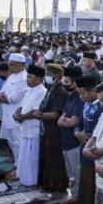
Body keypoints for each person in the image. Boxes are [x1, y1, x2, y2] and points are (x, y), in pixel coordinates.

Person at [36, 64, 69, 193]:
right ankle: (48, 184)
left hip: (54, 131)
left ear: (56, 75)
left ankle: (58, 186)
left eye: (48, 73)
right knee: (46, 159)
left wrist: (40, 115)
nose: (46, 76)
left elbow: (56, 113)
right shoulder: (51, 88)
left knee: (54, 161)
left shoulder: (60, 91)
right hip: (46, 129)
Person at [14, 65, 48, 187]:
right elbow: (23, 106)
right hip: (24, 127)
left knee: (33, 158)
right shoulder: (29, 90)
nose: (26, 79)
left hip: (34, 129)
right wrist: (17, 113)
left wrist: (22, 117)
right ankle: (24, 179)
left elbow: (36, 111)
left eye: (29, 77)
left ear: (38, 79)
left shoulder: (42, 91)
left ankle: (33, 181)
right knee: (24, 155)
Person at [74, 75, 100, 204]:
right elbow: (79, 123)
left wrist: (88, 137)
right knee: (85, 184)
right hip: (83, 149)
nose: (81, 96)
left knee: (92, 185)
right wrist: (77, 133)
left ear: (93, 91)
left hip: (93, 151)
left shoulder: (100, 108)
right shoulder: (86, 105)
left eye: (83, 93)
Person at [58, 66, 85, 198]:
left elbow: (73, 122)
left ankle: (77, 198)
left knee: (77, 172)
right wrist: (64, 121)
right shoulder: (70, 96)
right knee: (70, 174)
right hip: (65, 140)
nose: (66, 84)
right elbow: (62, 118)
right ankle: (73, 196)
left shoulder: (81, 98)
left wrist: (63, 121)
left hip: (74, 142)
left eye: (68, 81)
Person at [0, 52, 28, 161]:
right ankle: (17, 165)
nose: (9, 67)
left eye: (12, 64)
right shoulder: (11, 77)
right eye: (9, 64)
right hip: (7, 114)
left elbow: (11, 99)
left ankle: (20, 167)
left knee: (18, 142)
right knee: (11, 141)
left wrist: (3, 98)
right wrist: (2, 97)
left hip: (17, 115)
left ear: (20, 64)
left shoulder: (24, 78)